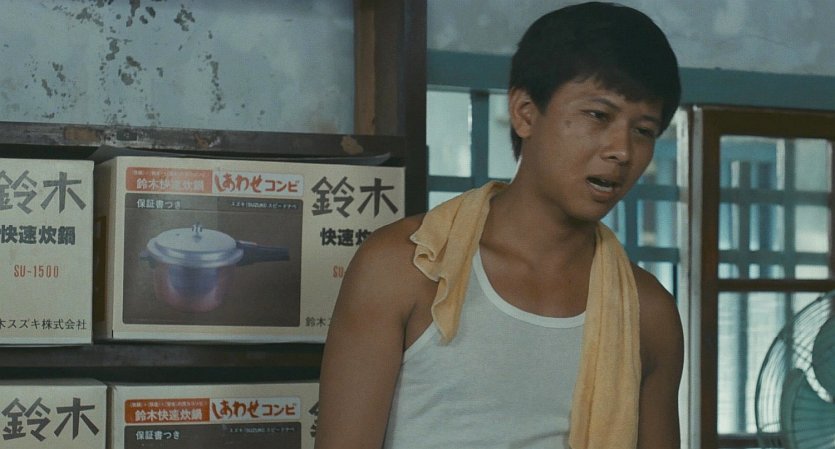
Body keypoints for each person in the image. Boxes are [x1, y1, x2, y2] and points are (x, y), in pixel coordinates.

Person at [314, 2, 684, 448]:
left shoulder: (649, 313)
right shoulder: (405, 267)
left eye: (643, 130)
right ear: (525, 112)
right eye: (598, 116)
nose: (622, 150)